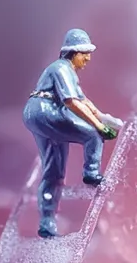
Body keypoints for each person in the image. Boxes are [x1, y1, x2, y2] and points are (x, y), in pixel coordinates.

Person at [23, 28, 120, 238]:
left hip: (35, 113)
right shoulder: (62, 69)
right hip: (46, 111)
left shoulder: (65, 71)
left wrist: (104, 117)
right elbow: (72, 102)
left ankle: (47, 223)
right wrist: (99, 126)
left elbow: (84, 101)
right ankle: (91, 174)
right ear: (73, 52)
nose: (88, 58)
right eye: (84, 53)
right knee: (92, 135)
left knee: (54, 172)